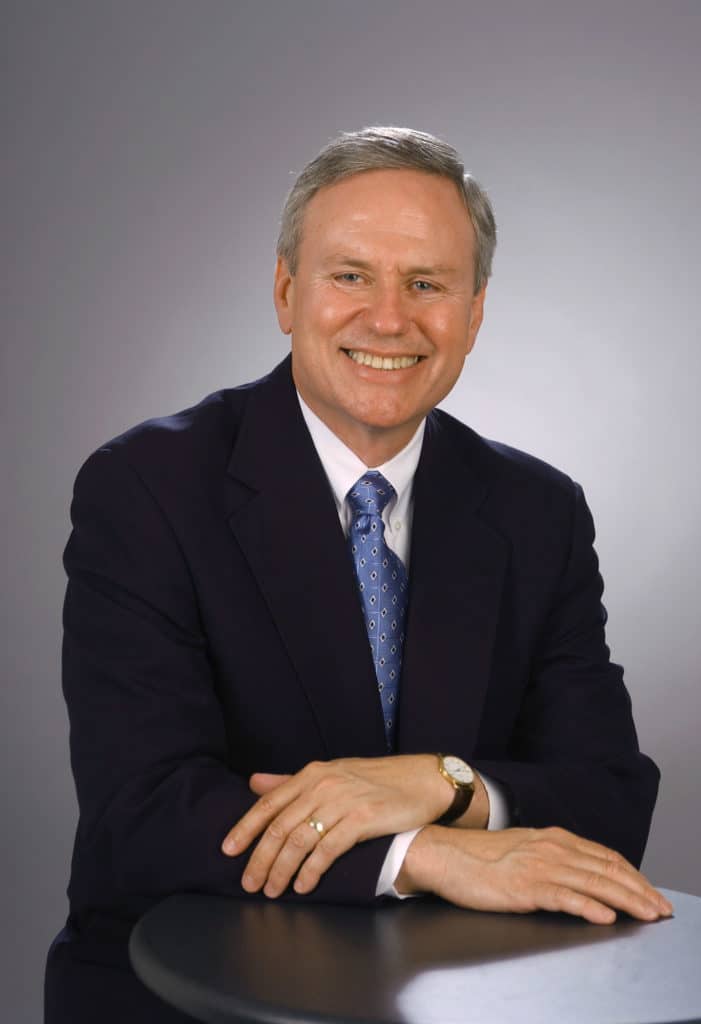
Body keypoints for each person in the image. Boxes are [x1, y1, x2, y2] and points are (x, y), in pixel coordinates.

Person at [45, 126, 667, 1023]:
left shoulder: (537, 511)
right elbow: (144, 812)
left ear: (475, 313)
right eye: (350, 276)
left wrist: (440, 781)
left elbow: (609, 799)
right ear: (285, 291)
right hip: (185, 994)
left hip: (459, 995)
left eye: (427, 284)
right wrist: (428, 851)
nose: (388, 318)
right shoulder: (146, 487)